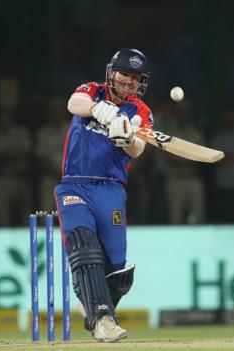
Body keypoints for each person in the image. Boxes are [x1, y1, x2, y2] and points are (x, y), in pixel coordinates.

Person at [56, 48, 153, 343]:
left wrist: (127, 138)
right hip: (75, 184)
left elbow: (139, 148)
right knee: (84, 247)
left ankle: (98, 305)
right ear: (112, 72)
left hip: (111, 189)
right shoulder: (93, 91)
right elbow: (75, 103)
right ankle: (102, 319)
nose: (128, 83)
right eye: (125, 76)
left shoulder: (140, 111)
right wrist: (99, 110)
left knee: (115, 267)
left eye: (135, 79)